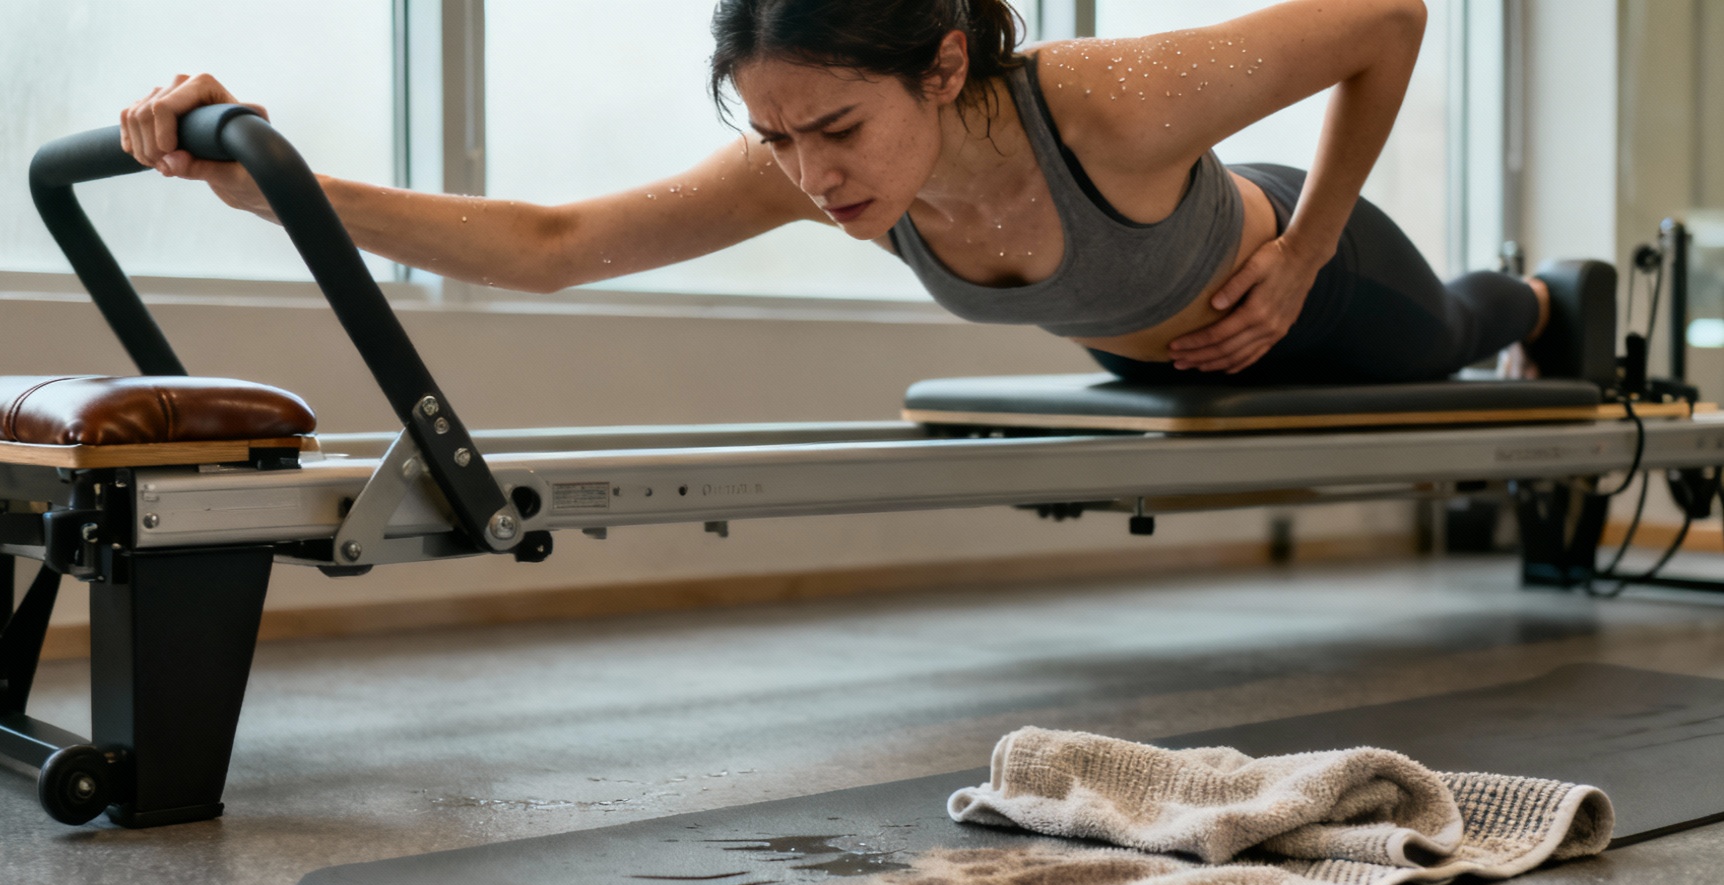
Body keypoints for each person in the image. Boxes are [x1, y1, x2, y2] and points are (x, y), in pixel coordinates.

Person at [118, 0, 1604, 387]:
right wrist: (282, 191)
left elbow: (1385, 28)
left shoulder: (1102, 103)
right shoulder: (819, 173)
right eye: (773, 141)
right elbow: (561, 246)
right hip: (1158, 350)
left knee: (1456, 339)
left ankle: (1556, 297)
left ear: (947, 65)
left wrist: (1311, 250)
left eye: (834, 128)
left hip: (1311, 289)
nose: (812, 178)